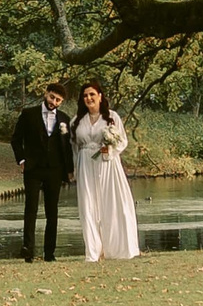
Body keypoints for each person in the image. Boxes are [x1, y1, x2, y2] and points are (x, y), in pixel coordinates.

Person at [71, 83, 140, 262]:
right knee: (88, 206)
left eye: (92, 94)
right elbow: (74, 148)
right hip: (86, 165)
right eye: (85, 95)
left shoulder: (112, 117)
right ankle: (93, 252)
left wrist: (109, 150)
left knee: (112, 204)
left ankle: (117, 248)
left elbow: (122, 141)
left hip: (107, 164)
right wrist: (75, 169)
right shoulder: (77, 121)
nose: (89, 98)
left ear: (100, 96)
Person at [10, 82, 74, 262]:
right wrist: (22, 160)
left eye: (58, 100)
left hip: (55, 170)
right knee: (30, 209)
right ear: (46, 93)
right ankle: (28, 250)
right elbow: (16, 139)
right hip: (33, 168)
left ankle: (49, 253)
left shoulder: (64, 119)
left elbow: (67, 147)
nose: (54, 102)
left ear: (62, 102)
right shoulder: (28, 114)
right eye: (52, 97)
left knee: (52, 211)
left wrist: (69, 170)